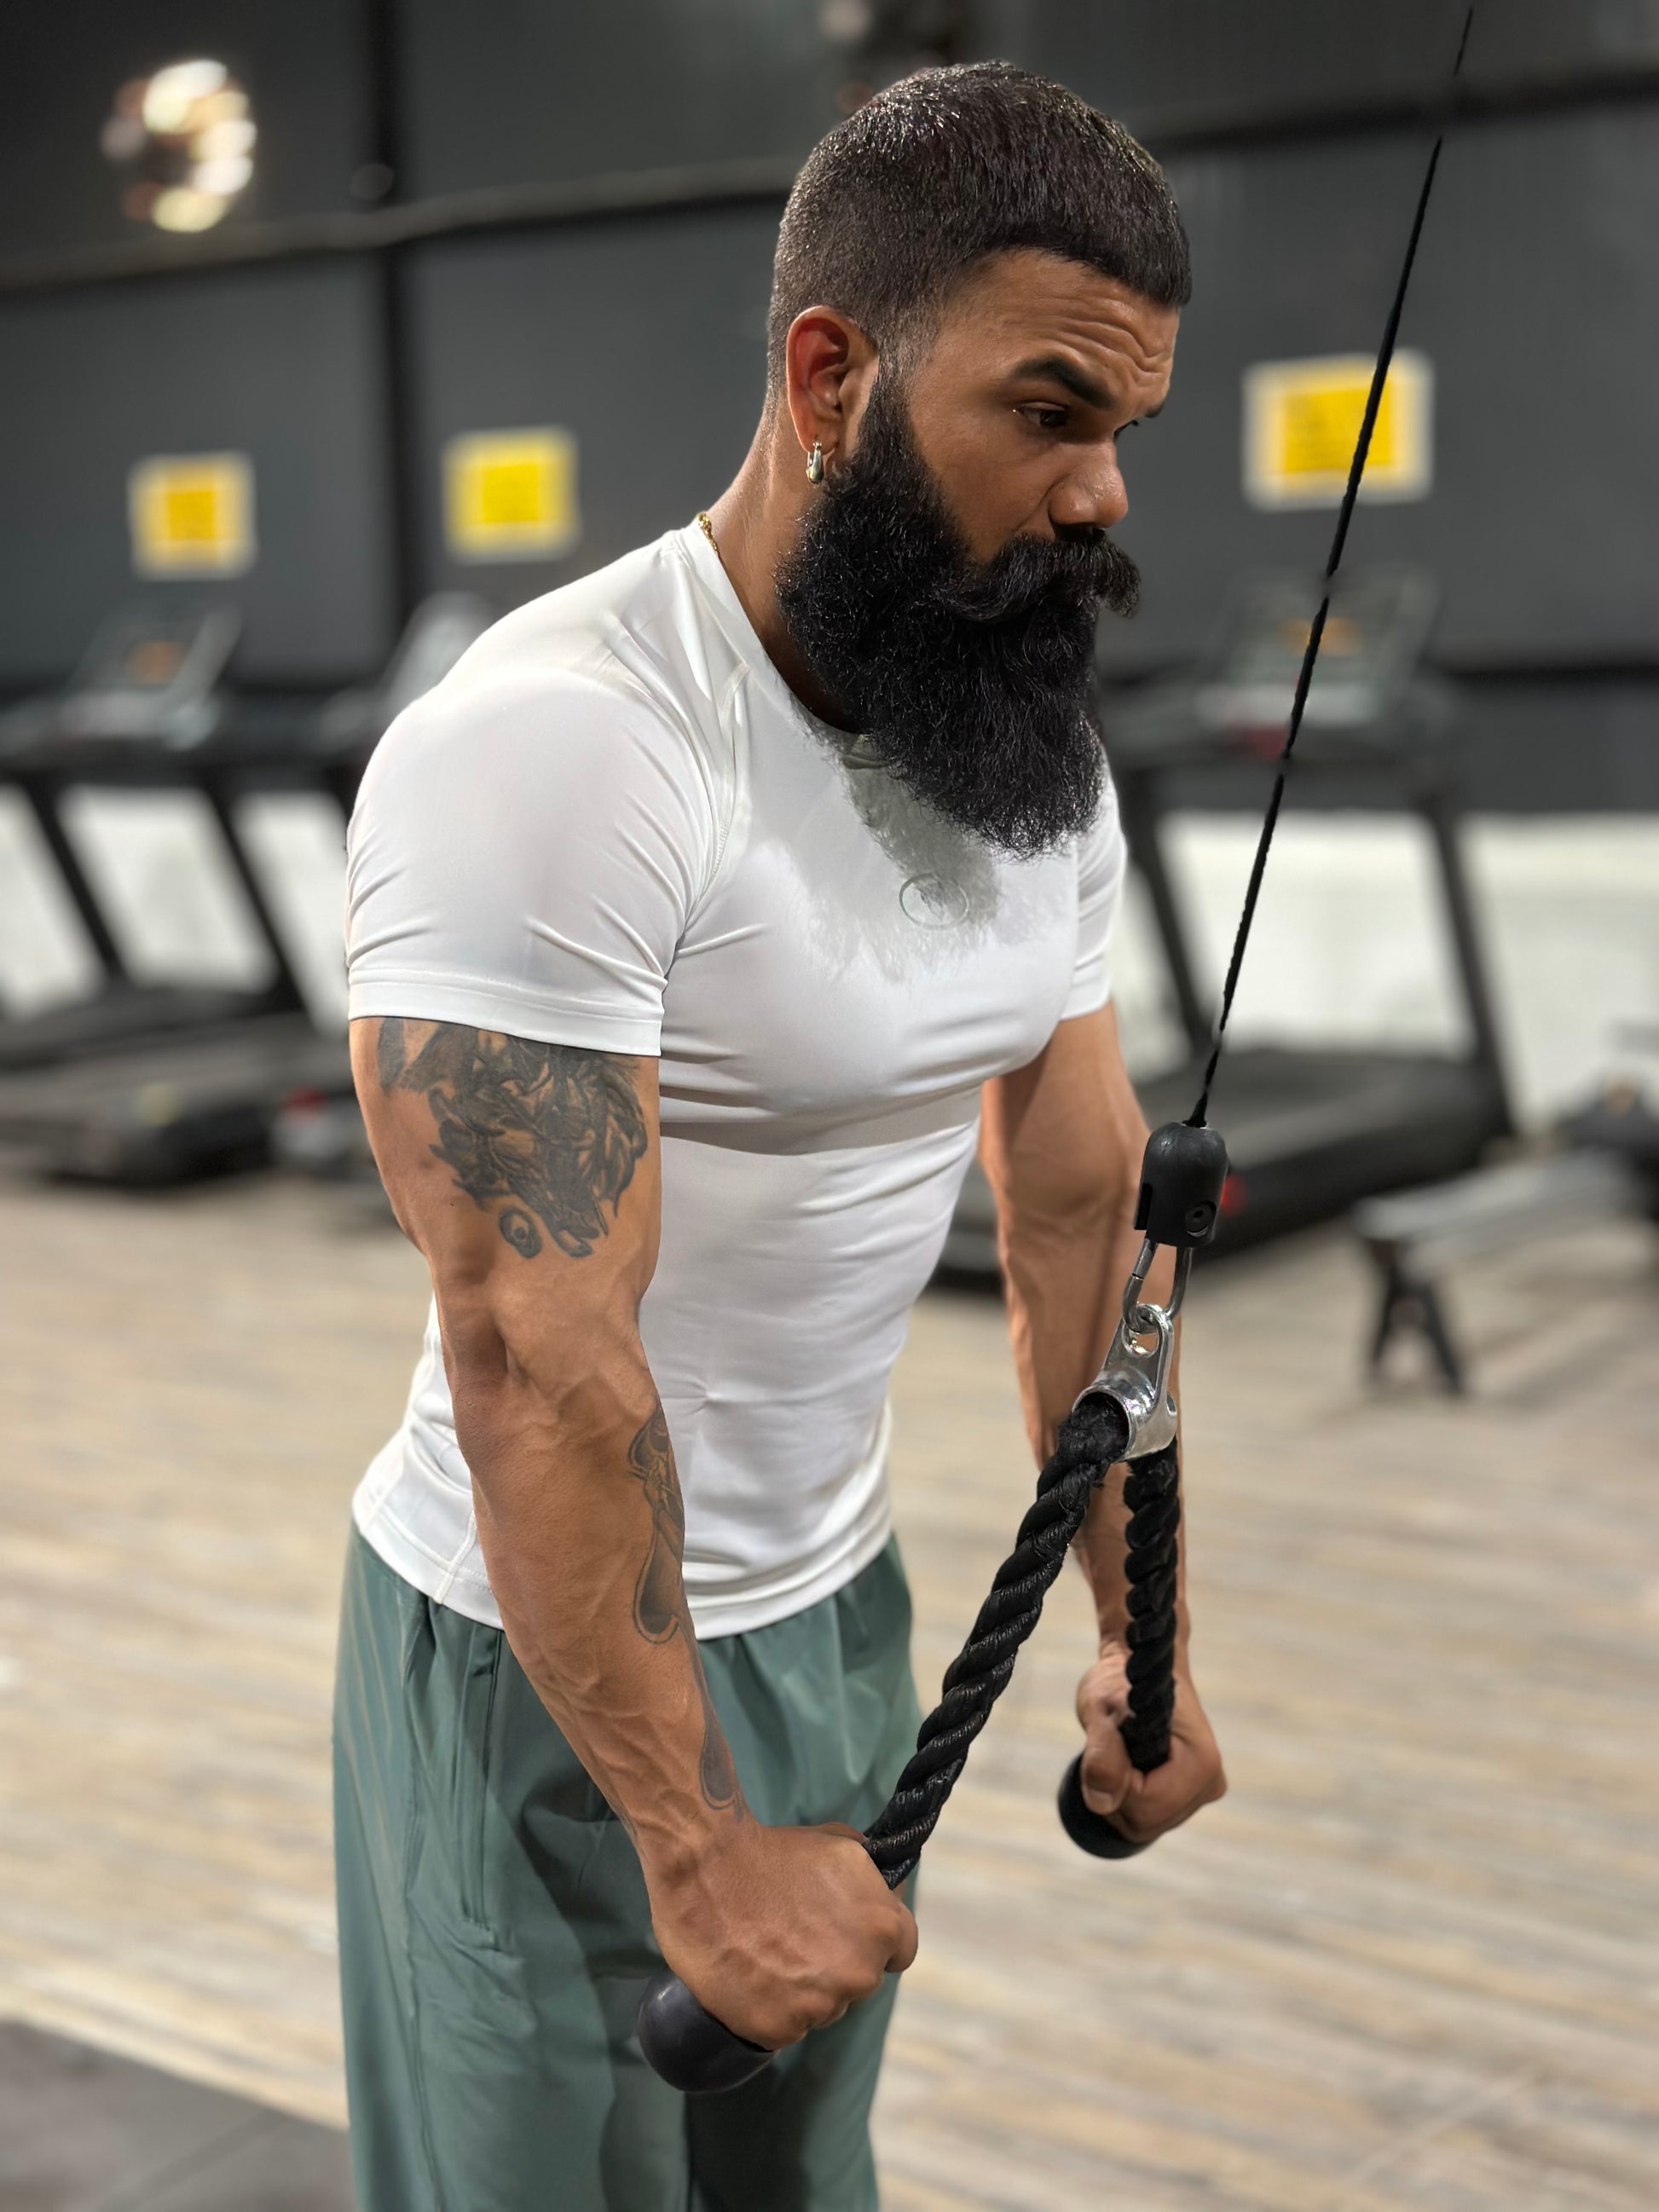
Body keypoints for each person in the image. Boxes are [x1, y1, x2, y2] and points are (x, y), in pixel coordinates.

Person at [332, 59, 1226, 2212]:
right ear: (832, 375)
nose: (1100, 492)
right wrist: (694, 1838)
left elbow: (1080, 1203)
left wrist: (1145, 1628)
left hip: (841, 1615)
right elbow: (533, 1350)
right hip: (543, 1656)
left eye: (1123, 427)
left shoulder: (1019, 747)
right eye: (1047, 411)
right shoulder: (566, 747)